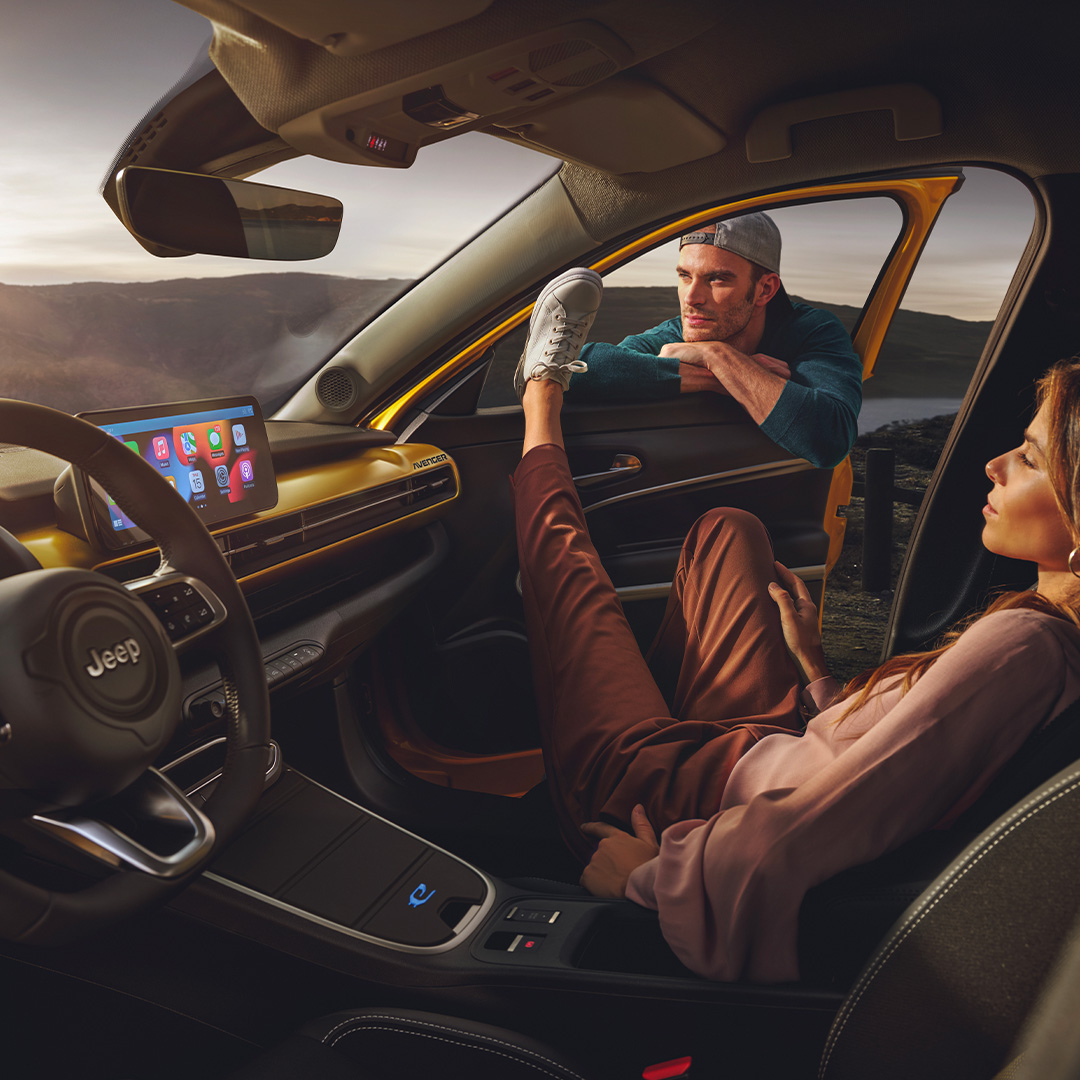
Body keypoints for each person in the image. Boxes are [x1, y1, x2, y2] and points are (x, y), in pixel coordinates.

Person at [512, 267, 1080, 982]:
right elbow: (892, 769)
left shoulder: (1025, 646)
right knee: (730, 529)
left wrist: (648, 877)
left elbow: (797, 838)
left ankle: (539, 398)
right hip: (776, 740)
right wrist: (813, 664)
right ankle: (656, 726)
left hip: (694, 802)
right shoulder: (1039, 633)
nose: (994, 465)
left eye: (1028, 458)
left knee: (573, 586)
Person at [565, 212, 864, 468]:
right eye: (684, 276)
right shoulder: (678, 333)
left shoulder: (813, 330)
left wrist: (719, 356)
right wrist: (722, 376)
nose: (691, 298)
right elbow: (576, 369)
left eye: (716, 279)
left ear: (765, 290)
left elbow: (829, 438)